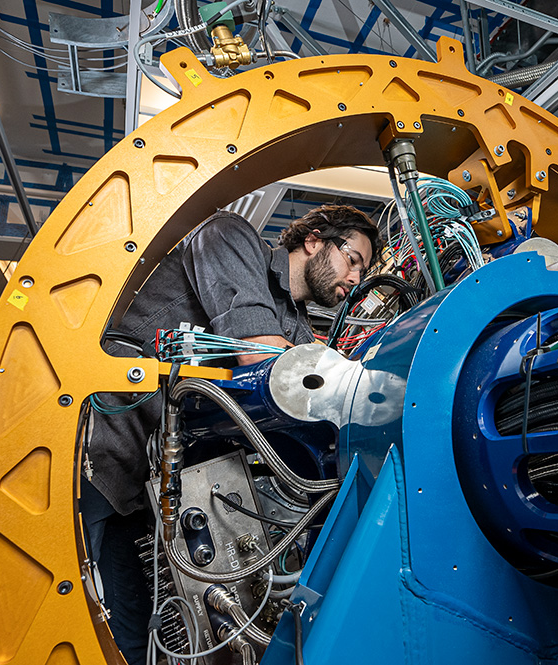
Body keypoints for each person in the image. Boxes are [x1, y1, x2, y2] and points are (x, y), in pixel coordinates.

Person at [80, 204, 379, 664]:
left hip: (155, 487)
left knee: (133, 636)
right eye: (353, 259)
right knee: (69, 604)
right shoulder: (231, 237)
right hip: (104, 453)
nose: (355, 280)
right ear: (315, 239)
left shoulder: (296, 326)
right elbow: (259, 356)